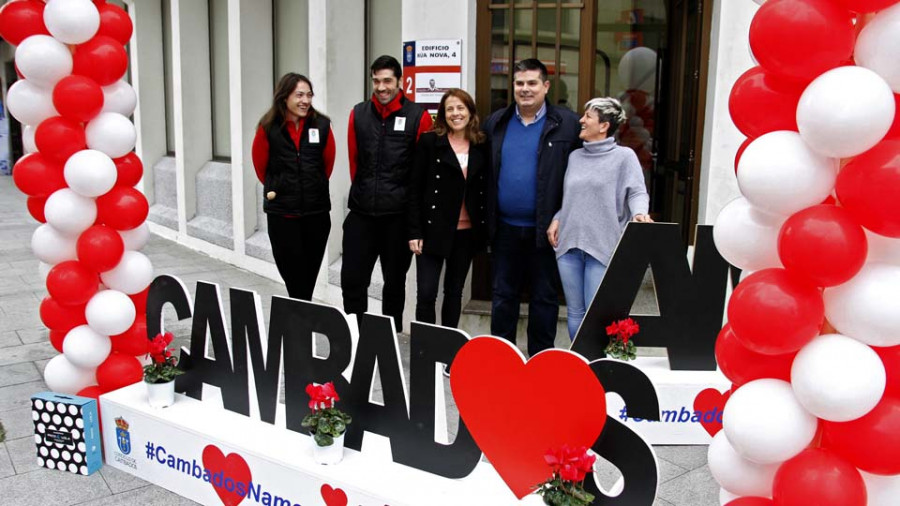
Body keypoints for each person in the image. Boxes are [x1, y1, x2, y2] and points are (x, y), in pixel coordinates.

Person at [483, 58, 581, 356]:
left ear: (546, 86)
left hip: (547, 231)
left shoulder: (567, 124)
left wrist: (562, 215)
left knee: (544, 299)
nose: (525, 89)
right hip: (504, 229)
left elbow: (579, 177)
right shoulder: (496, 122)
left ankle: (541, 361)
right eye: (519, 83)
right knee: (503, 298)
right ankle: (503, 359)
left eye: (532, 83)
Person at [547, 97, 652, 340]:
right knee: (574, 312)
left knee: (597, 315)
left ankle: (595, 367)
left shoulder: (624, 157)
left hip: (602, 246)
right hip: (568, 245)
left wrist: (639, 213)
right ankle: (580, 364)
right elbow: (572, 197)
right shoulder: (575, 157)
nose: (581, 120)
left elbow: (636, 191)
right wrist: (557, 217)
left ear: (604, 125)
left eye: (588, 117)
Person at [343, 55, 433, 332]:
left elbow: (422, 174)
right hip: (361, 214)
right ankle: (356, 336)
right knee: (353, 281)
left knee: (394, 284)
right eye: (376, 80)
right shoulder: (358, 114)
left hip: (398, 218)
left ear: (400, 82)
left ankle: (389, 338)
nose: (381, 87)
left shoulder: (419, 117)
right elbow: (354, 162)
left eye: (387, 81)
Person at [408, 89, 488, 333]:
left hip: (466, 233)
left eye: (461, 108)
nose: (456, 114)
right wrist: (414, 232)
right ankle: (425, 349)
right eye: (450, 109)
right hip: (432, 231)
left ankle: (447, 349)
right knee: (427, 293)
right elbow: (414, 190)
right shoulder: (430, 142)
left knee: (454, 292)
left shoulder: (481, 144)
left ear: (470, 112)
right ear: (443, 114)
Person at [251, 73, 335, 301]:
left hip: (316, 213)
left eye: (309, 95)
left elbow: (327, 166)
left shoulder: (322, 125)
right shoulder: (268, 127)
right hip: (282, 215)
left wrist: (309, 187)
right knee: (293, 276)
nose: (305, 100)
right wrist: (284, 188)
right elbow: (261, 167)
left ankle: (299, 319)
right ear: (284, 97)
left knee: (307, 277)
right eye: (299, 95)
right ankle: (300, 319)